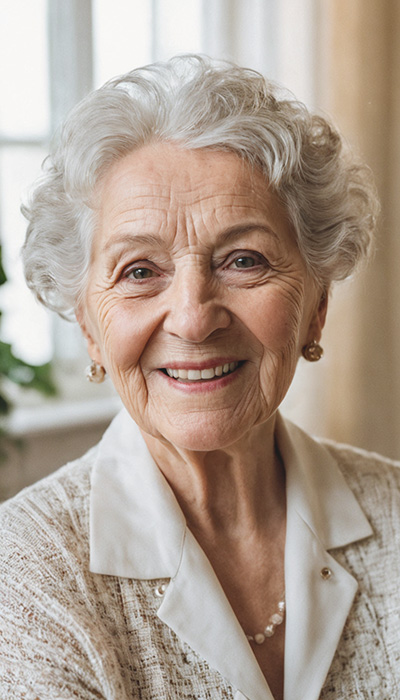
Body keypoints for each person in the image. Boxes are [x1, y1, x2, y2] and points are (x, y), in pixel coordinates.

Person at [0, 55, 398, 700]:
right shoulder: (23, 573)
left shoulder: (396, 513)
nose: (192, 317)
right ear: (90, 328)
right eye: (138, 271)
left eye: (244, 260)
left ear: (315, 309)